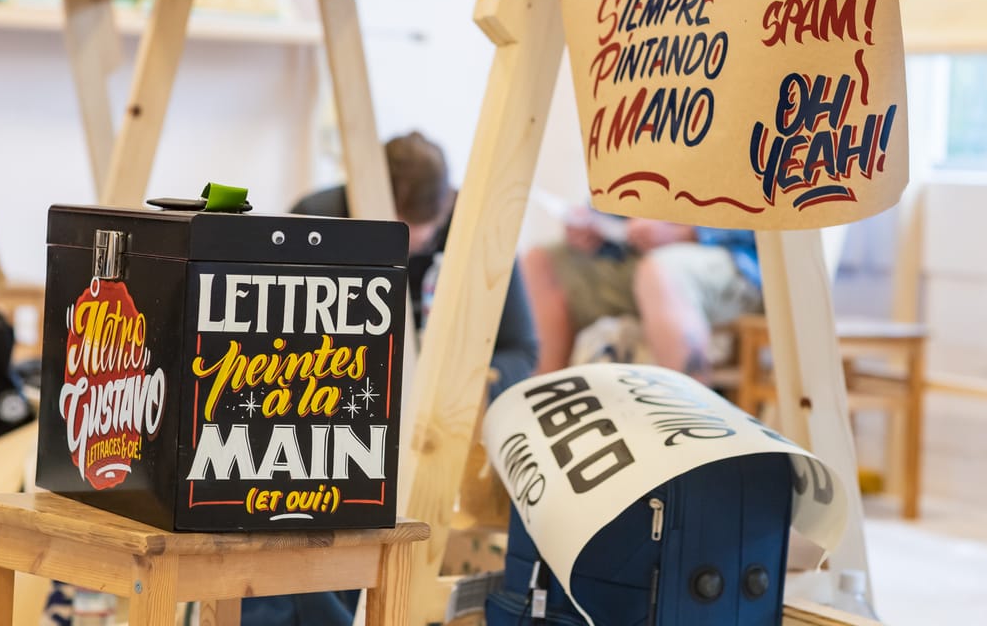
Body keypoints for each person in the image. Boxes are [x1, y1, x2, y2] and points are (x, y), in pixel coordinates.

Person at [241, 130, 538, 626]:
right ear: (361, 198)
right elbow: (269, 342)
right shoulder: (316, 218)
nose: (415, 242)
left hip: (439, 425)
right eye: (400, 227)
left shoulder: (480, 229)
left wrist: (458, 383)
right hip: (331, 415)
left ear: (447, 207)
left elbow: (520, 349)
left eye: (424, 230)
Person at [521, 208, 762, 381]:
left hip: (732, 256)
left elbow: (768, 213)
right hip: (630, 252)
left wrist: (686, 233)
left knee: (660, 271)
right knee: (540, 261)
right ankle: (544, 401)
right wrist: (594, 222)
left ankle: (693, 417)